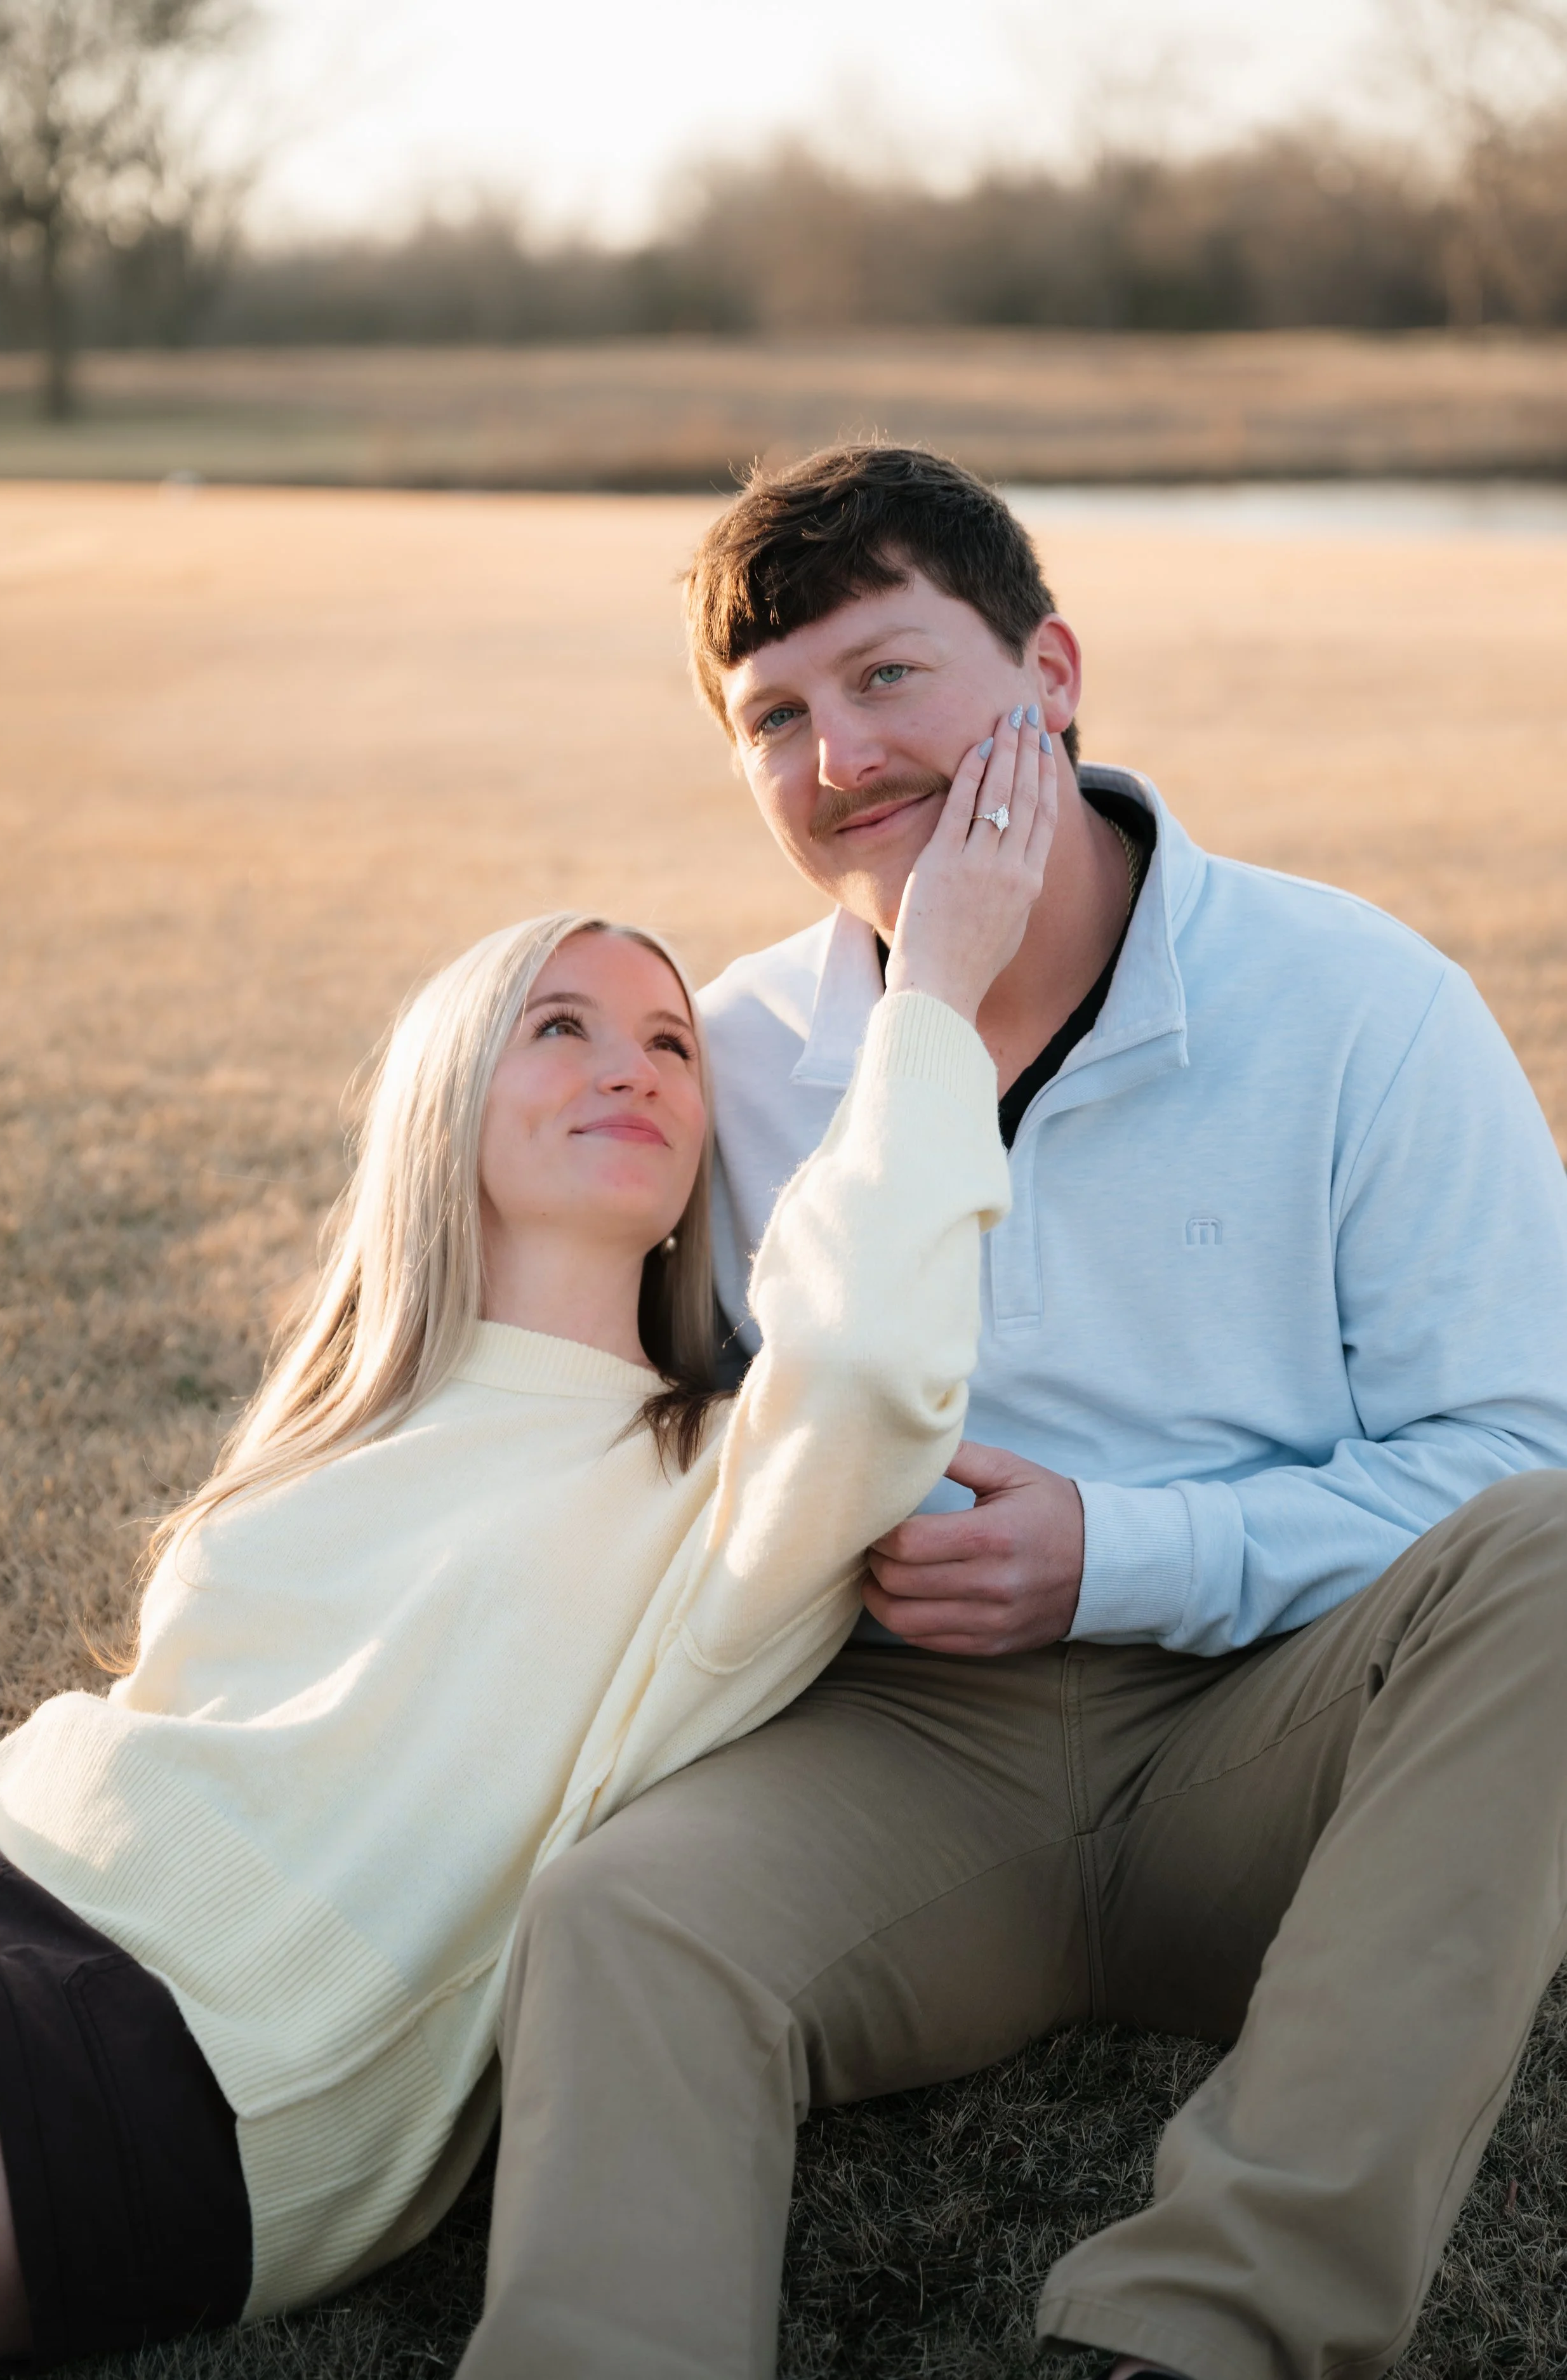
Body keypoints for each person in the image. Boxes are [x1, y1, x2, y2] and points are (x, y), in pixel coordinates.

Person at [456, 445, 1567, 2380]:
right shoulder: (724, 1058)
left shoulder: (1359, 1001)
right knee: (626, 1916)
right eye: (773, 717)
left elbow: (1514, 1447)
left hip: (1282, 1732)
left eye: (888, 673)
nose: (838, 757)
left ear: (1050, 673)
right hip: (898, 1747)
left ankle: (1197, 2336)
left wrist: (1117, 1549)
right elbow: (583, 1399)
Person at [0, 740, 1050, 2367]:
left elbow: (866, 1364)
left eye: (672, 1044)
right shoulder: (344, 1415)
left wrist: (937, 995)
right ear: (446, 1102)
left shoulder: (722, 1483)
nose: (635, 1069)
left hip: (190, 2054)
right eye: (562, 1028)